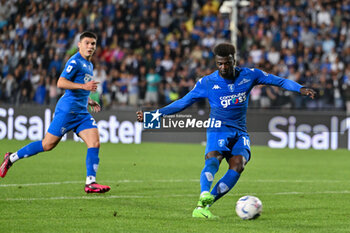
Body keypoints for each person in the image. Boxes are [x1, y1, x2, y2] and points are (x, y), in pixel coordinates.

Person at [136, 43, 316, 218]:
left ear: (234, 60)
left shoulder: (250, 75)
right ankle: (204, 193)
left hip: (240, 131)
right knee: (214, 159)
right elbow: (182, 102)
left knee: (238, 165)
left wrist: (300, 88)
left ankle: (203, 207)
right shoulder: (207, 82)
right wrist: (154, 115)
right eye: (219, 63)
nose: (223, 67)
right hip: (218, 129)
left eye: (227, 63)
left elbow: (280, 81)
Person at [0, 31, 110, 194]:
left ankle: (90, 183)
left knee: (94, 143)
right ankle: (11, 158)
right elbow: (61, 82)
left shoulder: (89, 64)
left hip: (81, 112)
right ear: (79, 45)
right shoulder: (75, 61)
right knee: (47, 145)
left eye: (93, 43)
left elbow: (79, 86)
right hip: (67, 111)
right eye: (87, 43)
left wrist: (88, 99)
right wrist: (84, 87)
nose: (90, 46)